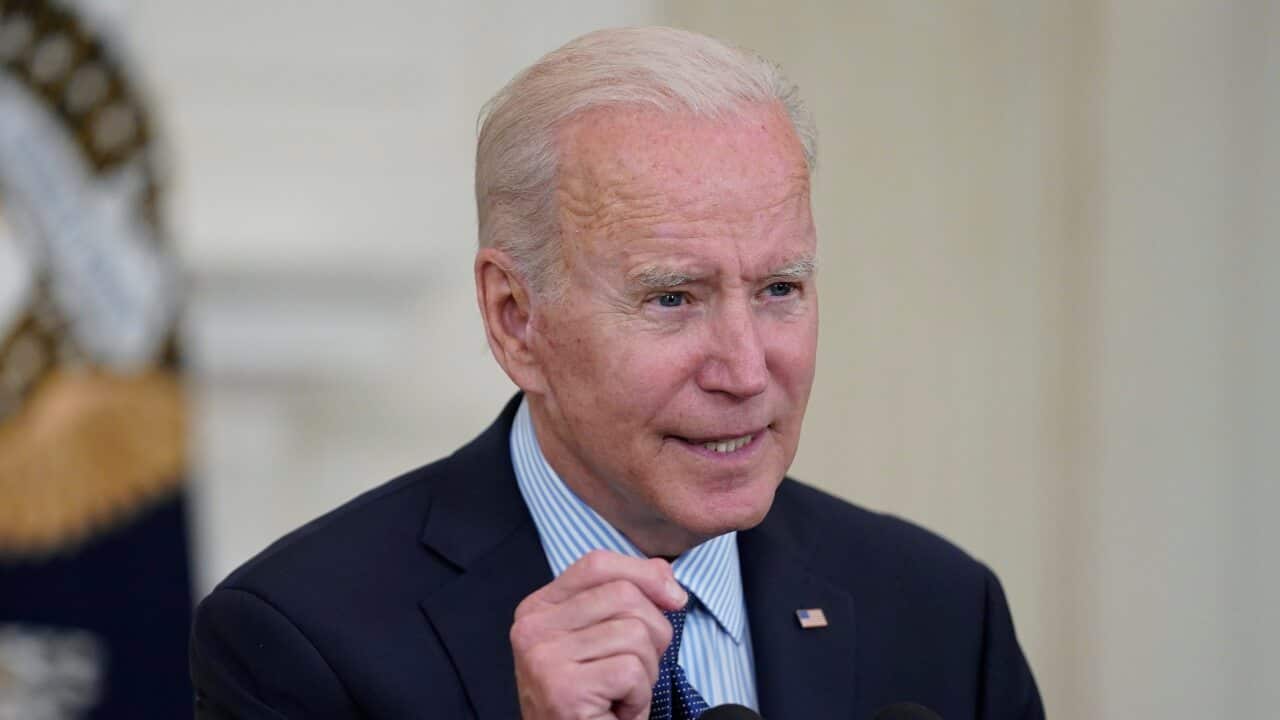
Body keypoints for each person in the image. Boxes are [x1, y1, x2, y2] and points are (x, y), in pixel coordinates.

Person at [189, 27, 1044, 719]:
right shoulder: (302, 641)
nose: (746, 369)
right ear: (515, 318)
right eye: (673, 298)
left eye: (780, 289)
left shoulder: (940, 612)